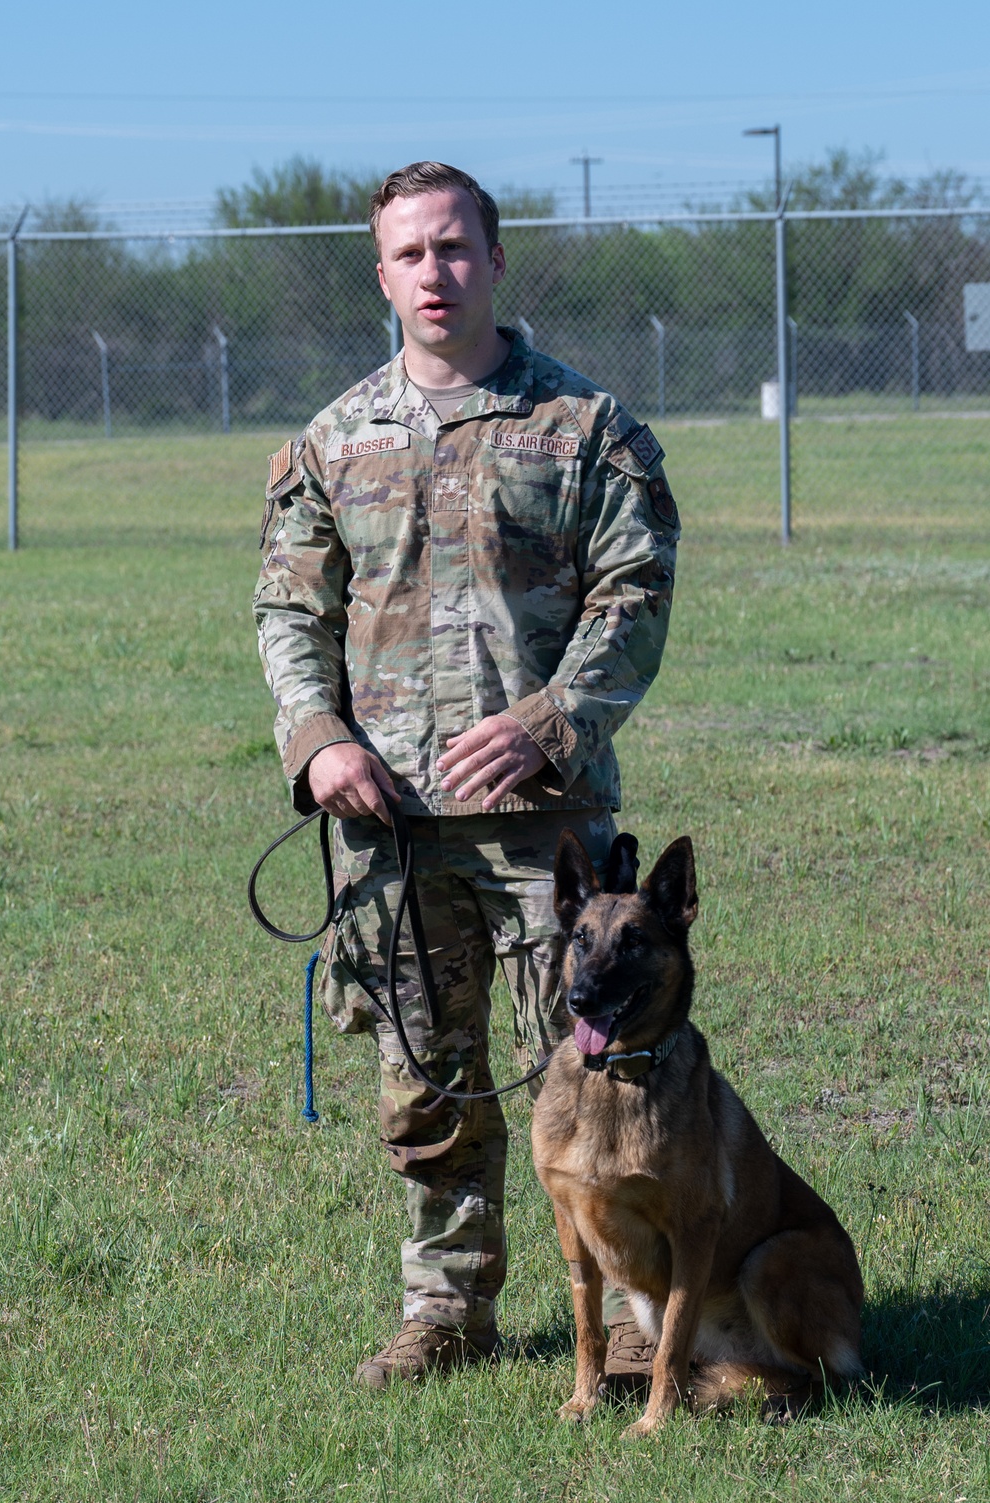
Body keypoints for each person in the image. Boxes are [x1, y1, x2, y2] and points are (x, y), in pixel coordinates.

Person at [253, 161, 680, 1389]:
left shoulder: (584, 428)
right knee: (424, 1077)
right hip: (387, 822)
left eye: (453, 248)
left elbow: (636, 593)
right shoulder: (333, 440)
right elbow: (290, 613)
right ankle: (446, 1308)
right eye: (409, 254)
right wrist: (319, 741)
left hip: (546, 828)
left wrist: (552, 720)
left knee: (602, 1066)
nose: (433, 273)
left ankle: (646, 1315)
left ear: (495, 260)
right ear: (379, 273)